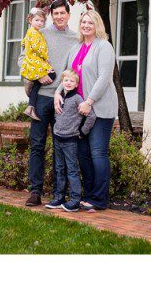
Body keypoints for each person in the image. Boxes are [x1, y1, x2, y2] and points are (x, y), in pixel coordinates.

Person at [55, 9, 117, 212]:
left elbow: (104, 77)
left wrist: (89, 101)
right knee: (82, 154)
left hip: (99, 108)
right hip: (77, 111)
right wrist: (58, 92)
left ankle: (99, 199)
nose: (86, 26)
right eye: (83, 22)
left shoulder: (104, 46)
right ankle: (88, 195)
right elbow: (68, 74)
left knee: (97, 152)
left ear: (97, 24)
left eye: (90, 22)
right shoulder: (76, 47)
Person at [22, 0, 79, 207]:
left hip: (61, 99)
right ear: (51, 15)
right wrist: (36, 75)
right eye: (55, 14)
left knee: (59, 147)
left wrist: (62, 90)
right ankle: (35, 191)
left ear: (68, 15)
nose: (59, 17)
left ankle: (58, 193)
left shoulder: (75, 39)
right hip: (41, 98)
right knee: (37, 145)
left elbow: (74, 71)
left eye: (63, 13)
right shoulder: (40, 33)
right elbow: (24, 57)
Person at [45, 70, 96, 213]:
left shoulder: (78, 99)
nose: (68, 83)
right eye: (66, 80)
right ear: (62, 82)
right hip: (58, 138)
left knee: (72, 171)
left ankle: (74, 201)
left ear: (76, 84)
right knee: (59, 169)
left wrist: (82, 132)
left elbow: (91, 116)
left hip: (70, 141)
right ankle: (59, 198)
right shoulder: (59, 96)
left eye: (72, 81)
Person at [20, 7, 56, 121]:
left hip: (35, 60)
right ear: (30, 20)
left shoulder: (34, 32)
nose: (40, 23)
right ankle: (31, 83)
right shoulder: (33, 33)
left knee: (45, 78)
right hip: (35, 61)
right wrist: (46, 58)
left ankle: (31, 106)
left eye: (42, 21)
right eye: (37, 20)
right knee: (52, 74)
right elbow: (38, 48)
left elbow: (24, 42)